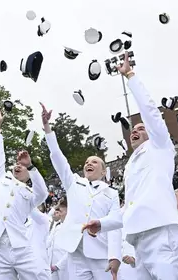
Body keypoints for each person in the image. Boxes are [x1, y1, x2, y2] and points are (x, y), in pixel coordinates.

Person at [83, 51, 178, 280]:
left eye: (141, 129)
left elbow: (151, 113)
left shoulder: (160, 147)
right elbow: (128, 209)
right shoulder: (132, 164)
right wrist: (101, 224)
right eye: (133, 129)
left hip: (162, 234)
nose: (135, 130)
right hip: (138, 241)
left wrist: (131, 76)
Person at [43, 102, 122, 280]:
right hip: (75, 251)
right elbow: (58, 158)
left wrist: (115, 256)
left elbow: (116, 225)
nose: (88, 164)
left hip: (101, 253)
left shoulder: (111, 193)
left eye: (94, 162)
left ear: (103, 171)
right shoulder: (74, 183)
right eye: (87, 162)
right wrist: (48, 128)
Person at [0, 108, 49, 280]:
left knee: (40, 276)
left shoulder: (31, 193)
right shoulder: (1, 179)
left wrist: (31, 165)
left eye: (22, 166)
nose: (18, 166)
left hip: (20, 245)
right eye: (16, 163)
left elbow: (43, 193)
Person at [47, 198, 68, 280]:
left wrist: (58, 265)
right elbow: (49, 243)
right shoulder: (57, 225)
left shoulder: (70, 227)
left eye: (61, 212)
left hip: (64, 267)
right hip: (52, 266)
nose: (59, 214)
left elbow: (71, 251)